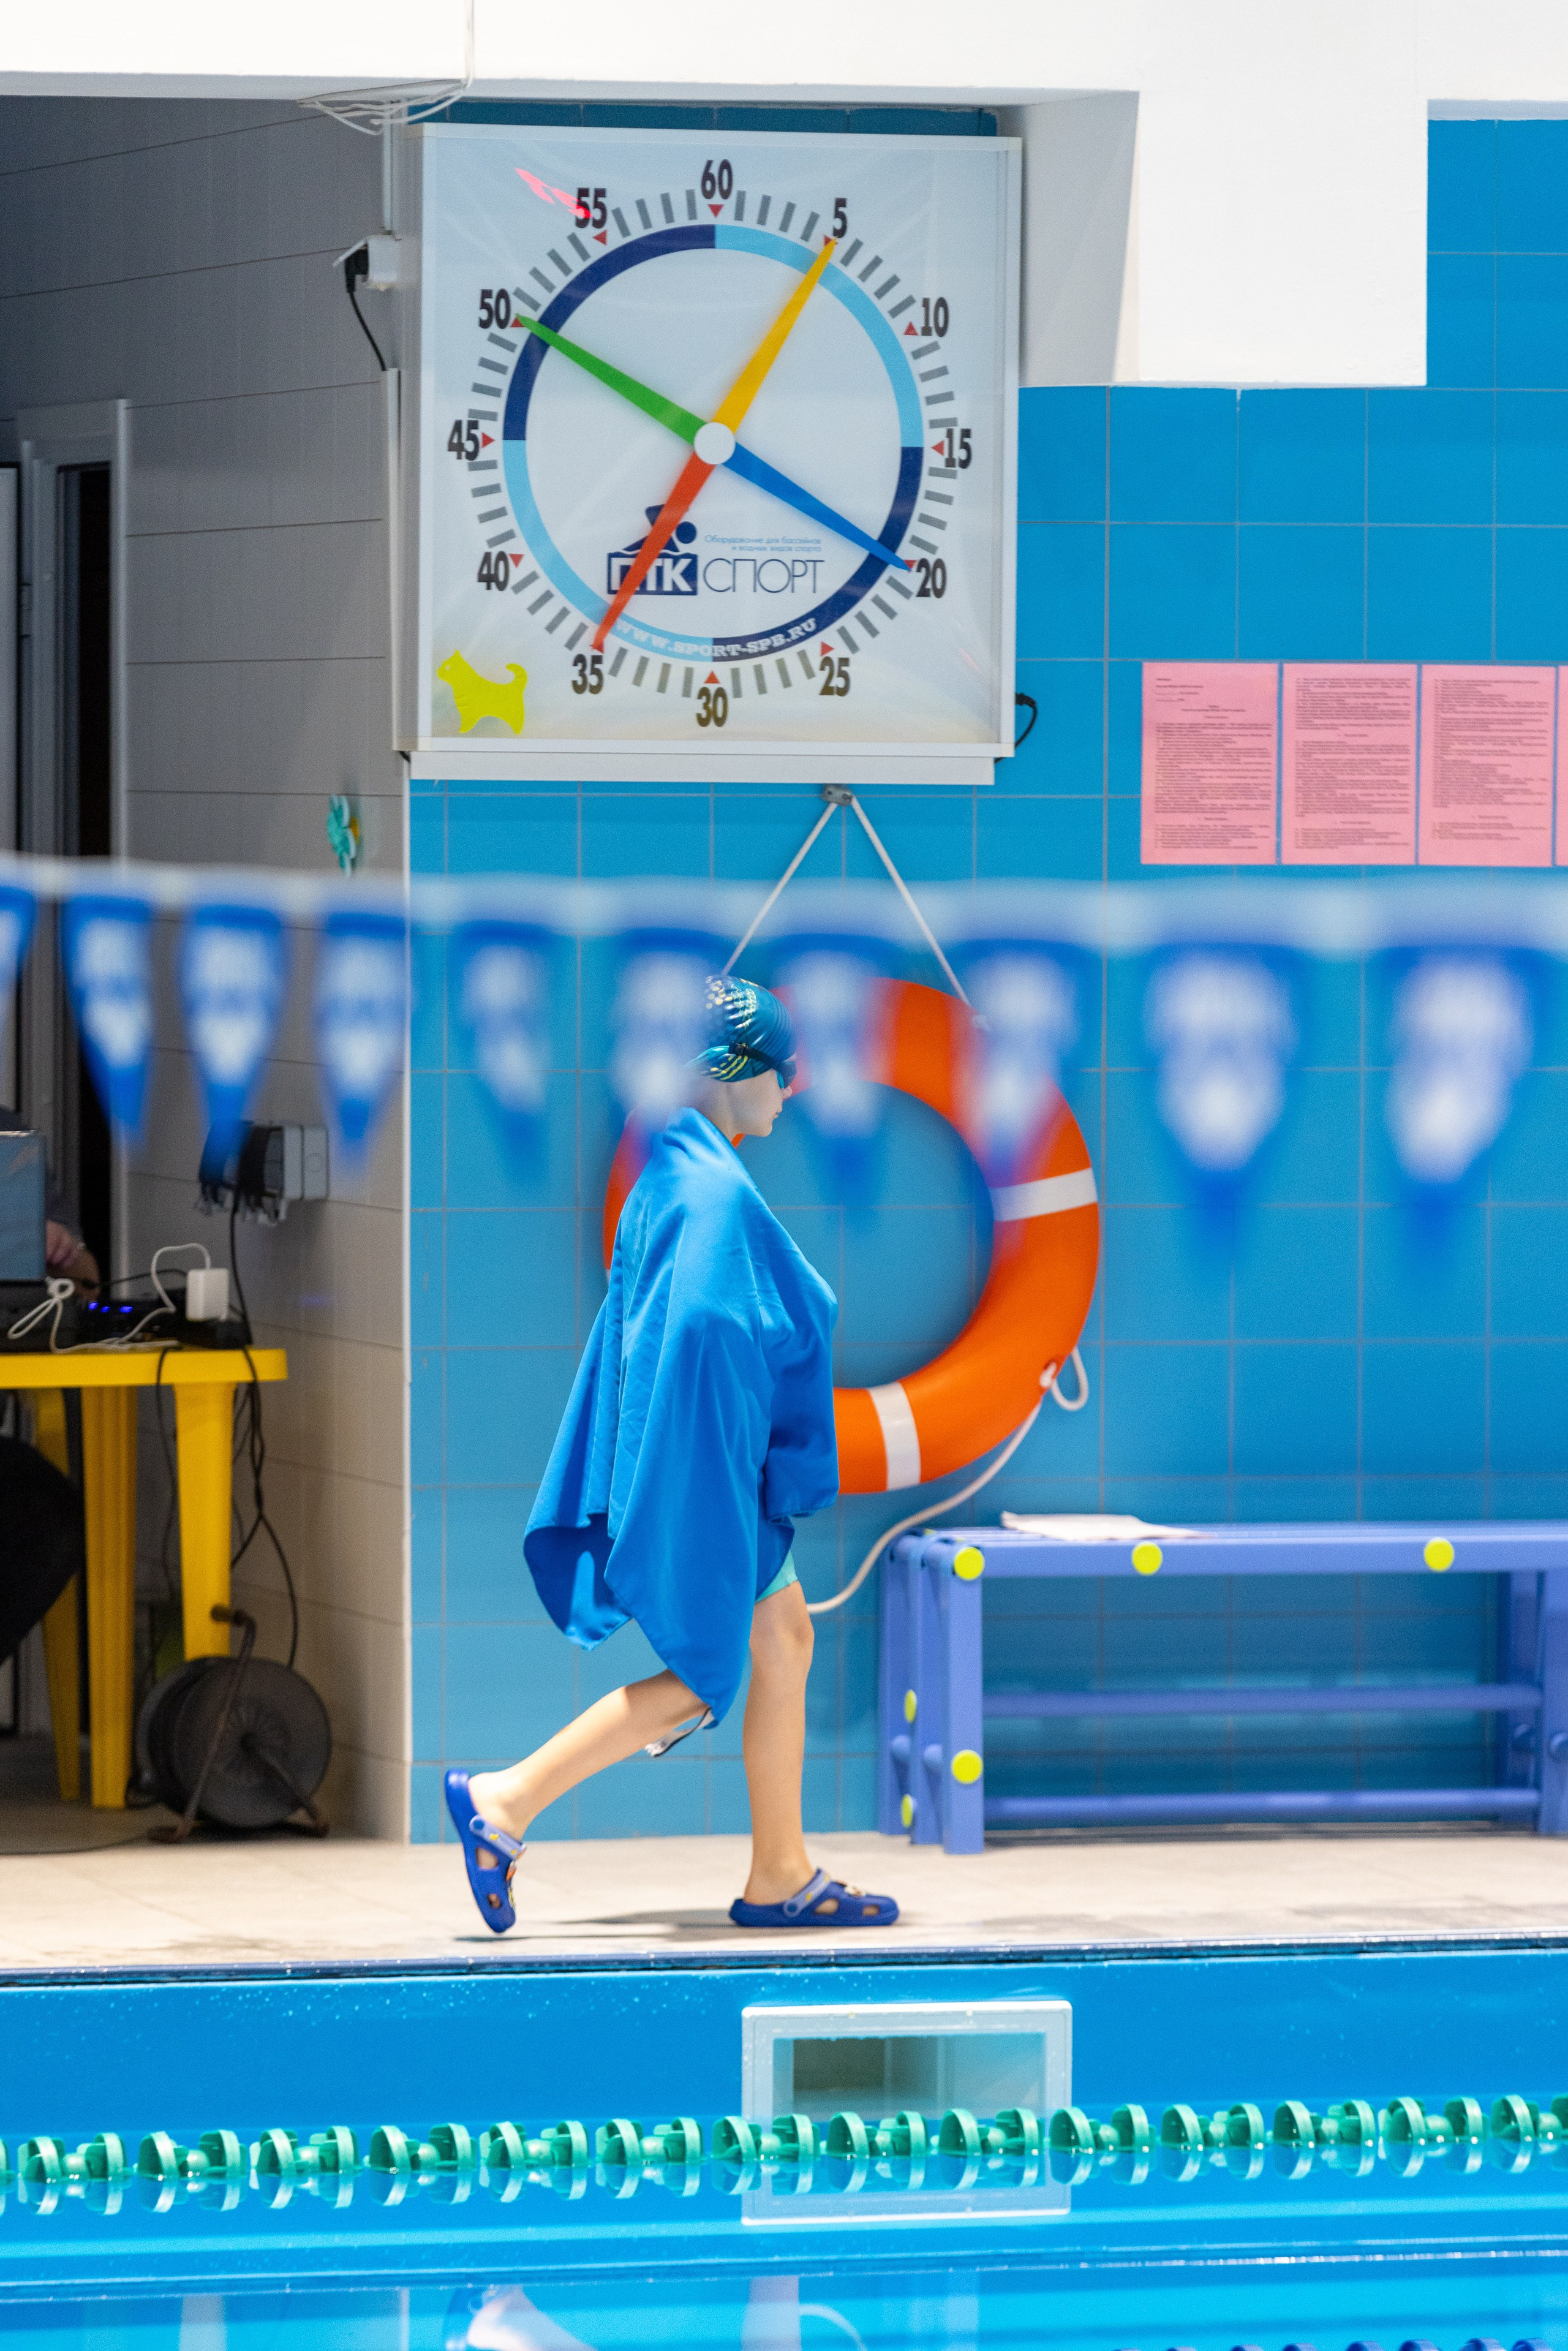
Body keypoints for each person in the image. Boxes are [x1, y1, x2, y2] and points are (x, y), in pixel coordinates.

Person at [445, 975, 898, 1934]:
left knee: (783, 1638)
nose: (794, 1088)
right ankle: (505, 1801)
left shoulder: (675, 1168)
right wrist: (730, 1474)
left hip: (696, 1457)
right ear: (734, 1072)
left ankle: (781, 1871)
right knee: (706, 1669)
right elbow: (702, 1336)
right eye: (783, 1070)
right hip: (703, 1468)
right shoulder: (710, 1194)